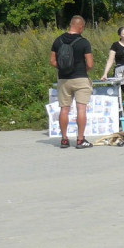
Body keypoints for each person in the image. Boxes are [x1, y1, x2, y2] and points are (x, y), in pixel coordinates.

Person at [49, 15, 94, 149]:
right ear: (80, 26)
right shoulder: (84, 42)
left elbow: (52, 61)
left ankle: (64, 139)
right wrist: (81, 70)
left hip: (63, 79)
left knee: (64, 109)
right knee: (81, 109)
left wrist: (63, 68)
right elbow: (90, 64)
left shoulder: (58, 40)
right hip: (80, 78)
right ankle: (80, 140)